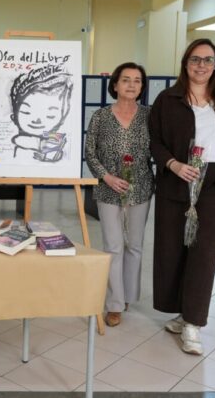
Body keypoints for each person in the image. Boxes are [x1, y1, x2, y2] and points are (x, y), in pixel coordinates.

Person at [148, 38, 215, 355]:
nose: (202, 65)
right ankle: (181, 312)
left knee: (203, 252)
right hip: (177, 181)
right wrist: (173, 164)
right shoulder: (167, 99)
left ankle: (193, 323)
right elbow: (155, 141)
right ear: (186, 63)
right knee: (173, 249)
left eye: (208, 60)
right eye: (195, 59)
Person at [85, 62, 154, 327]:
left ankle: (128, 296)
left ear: (142, 87)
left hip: (141, 188)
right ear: (115, 84)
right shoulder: (101, 116)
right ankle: (114, 304)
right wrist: (107, 177)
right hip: (107, 189)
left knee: (134, 246)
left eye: (137, 80)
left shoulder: (149, 116)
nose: (131, 85)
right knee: (113, 246)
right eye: (126, 80)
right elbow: (90, 153)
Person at [8, 64, 72, 162]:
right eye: (26, 112)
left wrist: (52, 151)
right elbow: (19, 140)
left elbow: (58, 148)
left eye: (50, 116)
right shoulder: (23, 139)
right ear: (14, 116)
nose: (37, 120)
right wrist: (40, 144)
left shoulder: (51, 136)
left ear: (61, 119)